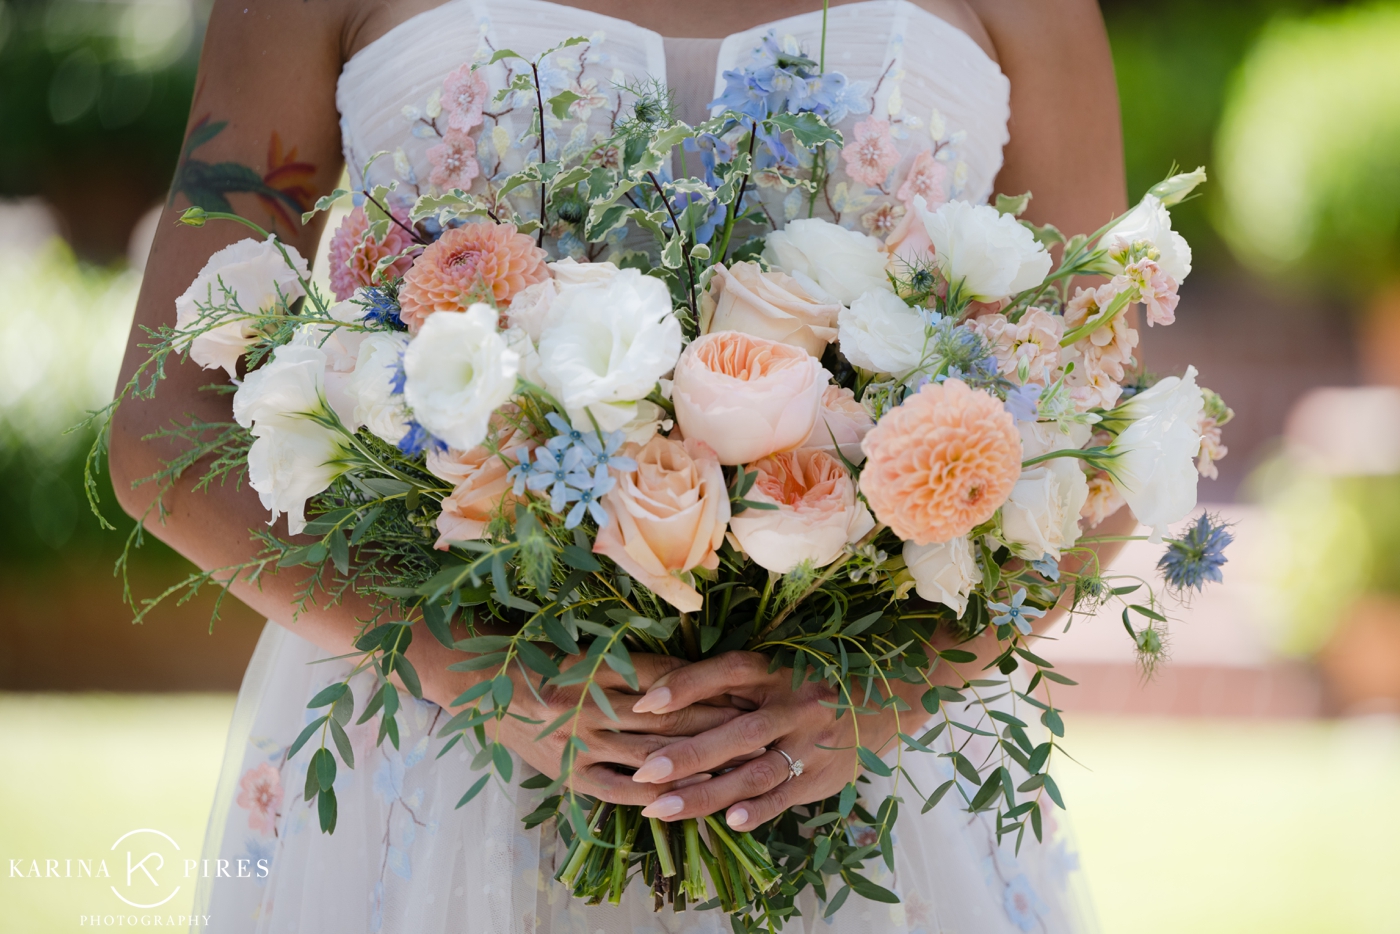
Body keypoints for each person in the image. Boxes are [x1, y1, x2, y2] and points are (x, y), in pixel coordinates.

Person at [108, 0, 1131, 930]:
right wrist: (456, 661)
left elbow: (1107, 435)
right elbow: (163, 425)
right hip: (442, 758)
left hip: (861, 772)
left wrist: (895, 687)